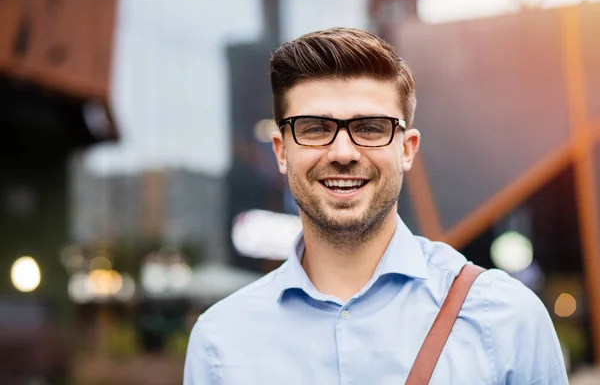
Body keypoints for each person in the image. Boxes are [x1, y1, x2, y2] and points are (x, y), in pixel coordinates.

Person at [184, 27, 568, 384]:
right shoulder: (220, 342)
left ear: (406, 149)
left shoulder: (506, 318)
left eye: (370, 128)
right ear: (282, 152)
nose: (343, 152)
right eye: (315, 128)